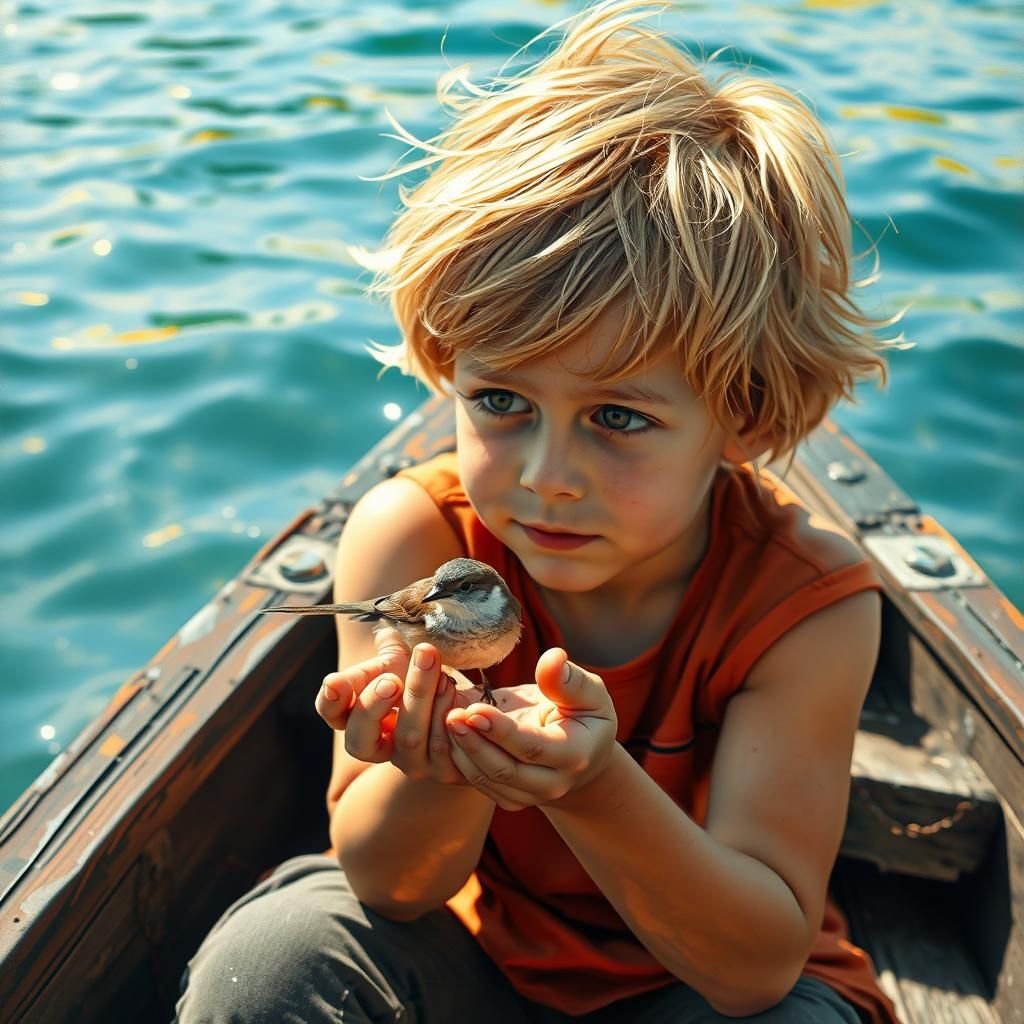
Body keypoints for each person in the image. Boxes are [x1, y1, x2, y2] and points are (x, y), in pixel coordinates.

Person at [176, 2, 903, 1021]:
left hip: (694, 987)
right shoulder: (413, 536)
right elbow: (390, 883)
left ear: (738, 416)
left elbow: (753, 968)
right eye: (500, 402)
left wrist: (590, 783)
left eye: (616, 416)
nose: (546, 474)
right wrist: (449, 763)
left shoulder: (807, 607)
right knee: (276, 957)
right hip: (470, 964)